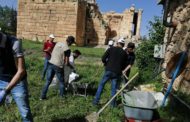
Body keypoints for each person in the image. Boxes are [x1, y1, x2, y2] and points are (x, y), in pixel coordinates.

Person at [0, 32, 33, 121]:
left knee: (25, 113)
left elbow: (21, 71)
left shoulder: (14, 43)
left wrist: (5, 91)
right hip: (1, 79)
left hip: (18, 82)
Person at [93, 38, 128, 107]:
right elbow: (124, 65)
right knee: (113, 89)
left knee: (101, 85)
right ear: (123, 45)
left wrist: (106, 64)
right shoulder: (125, 53)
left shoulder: (111, 49)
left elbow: (103, 58)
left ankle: (95, 102)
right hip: (117, 73)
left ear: (117, 43)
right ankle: (112, 105)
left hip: (108, 70)